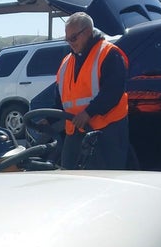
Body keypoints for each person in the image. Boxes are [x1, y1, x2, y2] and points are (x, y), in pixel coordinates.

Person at [56, 13, 130, 169]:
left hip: (106, 130)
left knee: (106, 177)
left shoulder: (108, 53)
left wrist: (88, 112)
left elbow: (112, 91)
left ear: (88, 32)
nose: (70, 43)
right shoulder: (66, 62)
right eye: (67, 39)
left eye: (73, 38)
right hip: (75, 131)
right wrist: (49, 120)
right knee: (69, 175)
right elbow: (60, 97)